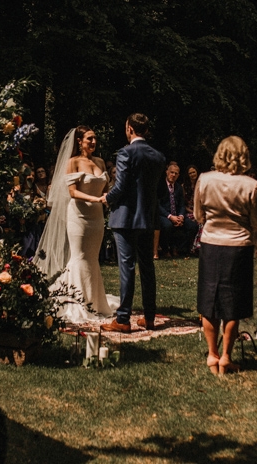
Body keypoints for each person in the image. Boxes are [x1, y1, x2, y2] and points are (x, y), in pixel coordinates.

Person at [193, 137, 257, 375]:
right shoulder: (251, 184)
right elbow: (256, 222)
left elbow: (198, 215)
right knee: (232, 303)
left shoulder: (204, 179)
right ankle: (226, 357)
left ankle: (212, 354)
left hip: (211, 245)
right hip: (239, 247)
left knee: (209, 301)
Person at [34, 126, 117, 323]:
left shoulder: (99, 162)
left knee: (92, 257)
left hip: (97, 217)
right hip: (79, 215)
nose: (94, 142)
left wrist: (106, 197)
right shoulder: (73, 162)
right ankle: (75, 300)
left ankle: (95, 301)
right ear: (79, 141)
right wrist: (95, 199)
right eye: (89, 139)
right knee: (79, 256)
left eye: (95, 138)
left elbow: (105, 186)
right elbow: (72, 192)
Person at [100, 114, 166, 333]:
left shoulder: (125, 153)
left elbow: (121, 187)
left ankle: (123, 319)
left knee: (127, 267)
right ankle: (148, 317)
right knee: (147, 267)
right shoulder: (158, 156)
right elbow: (161, 192)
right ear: (145, 130)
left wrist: (107, 198)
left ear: (129, 129)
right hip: (148, 218)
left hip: (126, 218)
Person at [158, 162, 198, 257]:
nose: (173, 175)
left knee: (192, 226)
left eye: (176, 173)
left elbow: (181, 205)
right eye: (172, 172)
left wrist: (180, 216)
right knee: (167, 225)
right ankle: (165, 249)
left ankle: (179, 248)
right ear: (167, 172)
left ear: (178, 175)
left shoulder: (179, 188)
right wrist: (170, 217)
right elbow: (157, 205)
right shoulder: (160, 186)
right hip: (164, 215)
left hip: (177, 215)